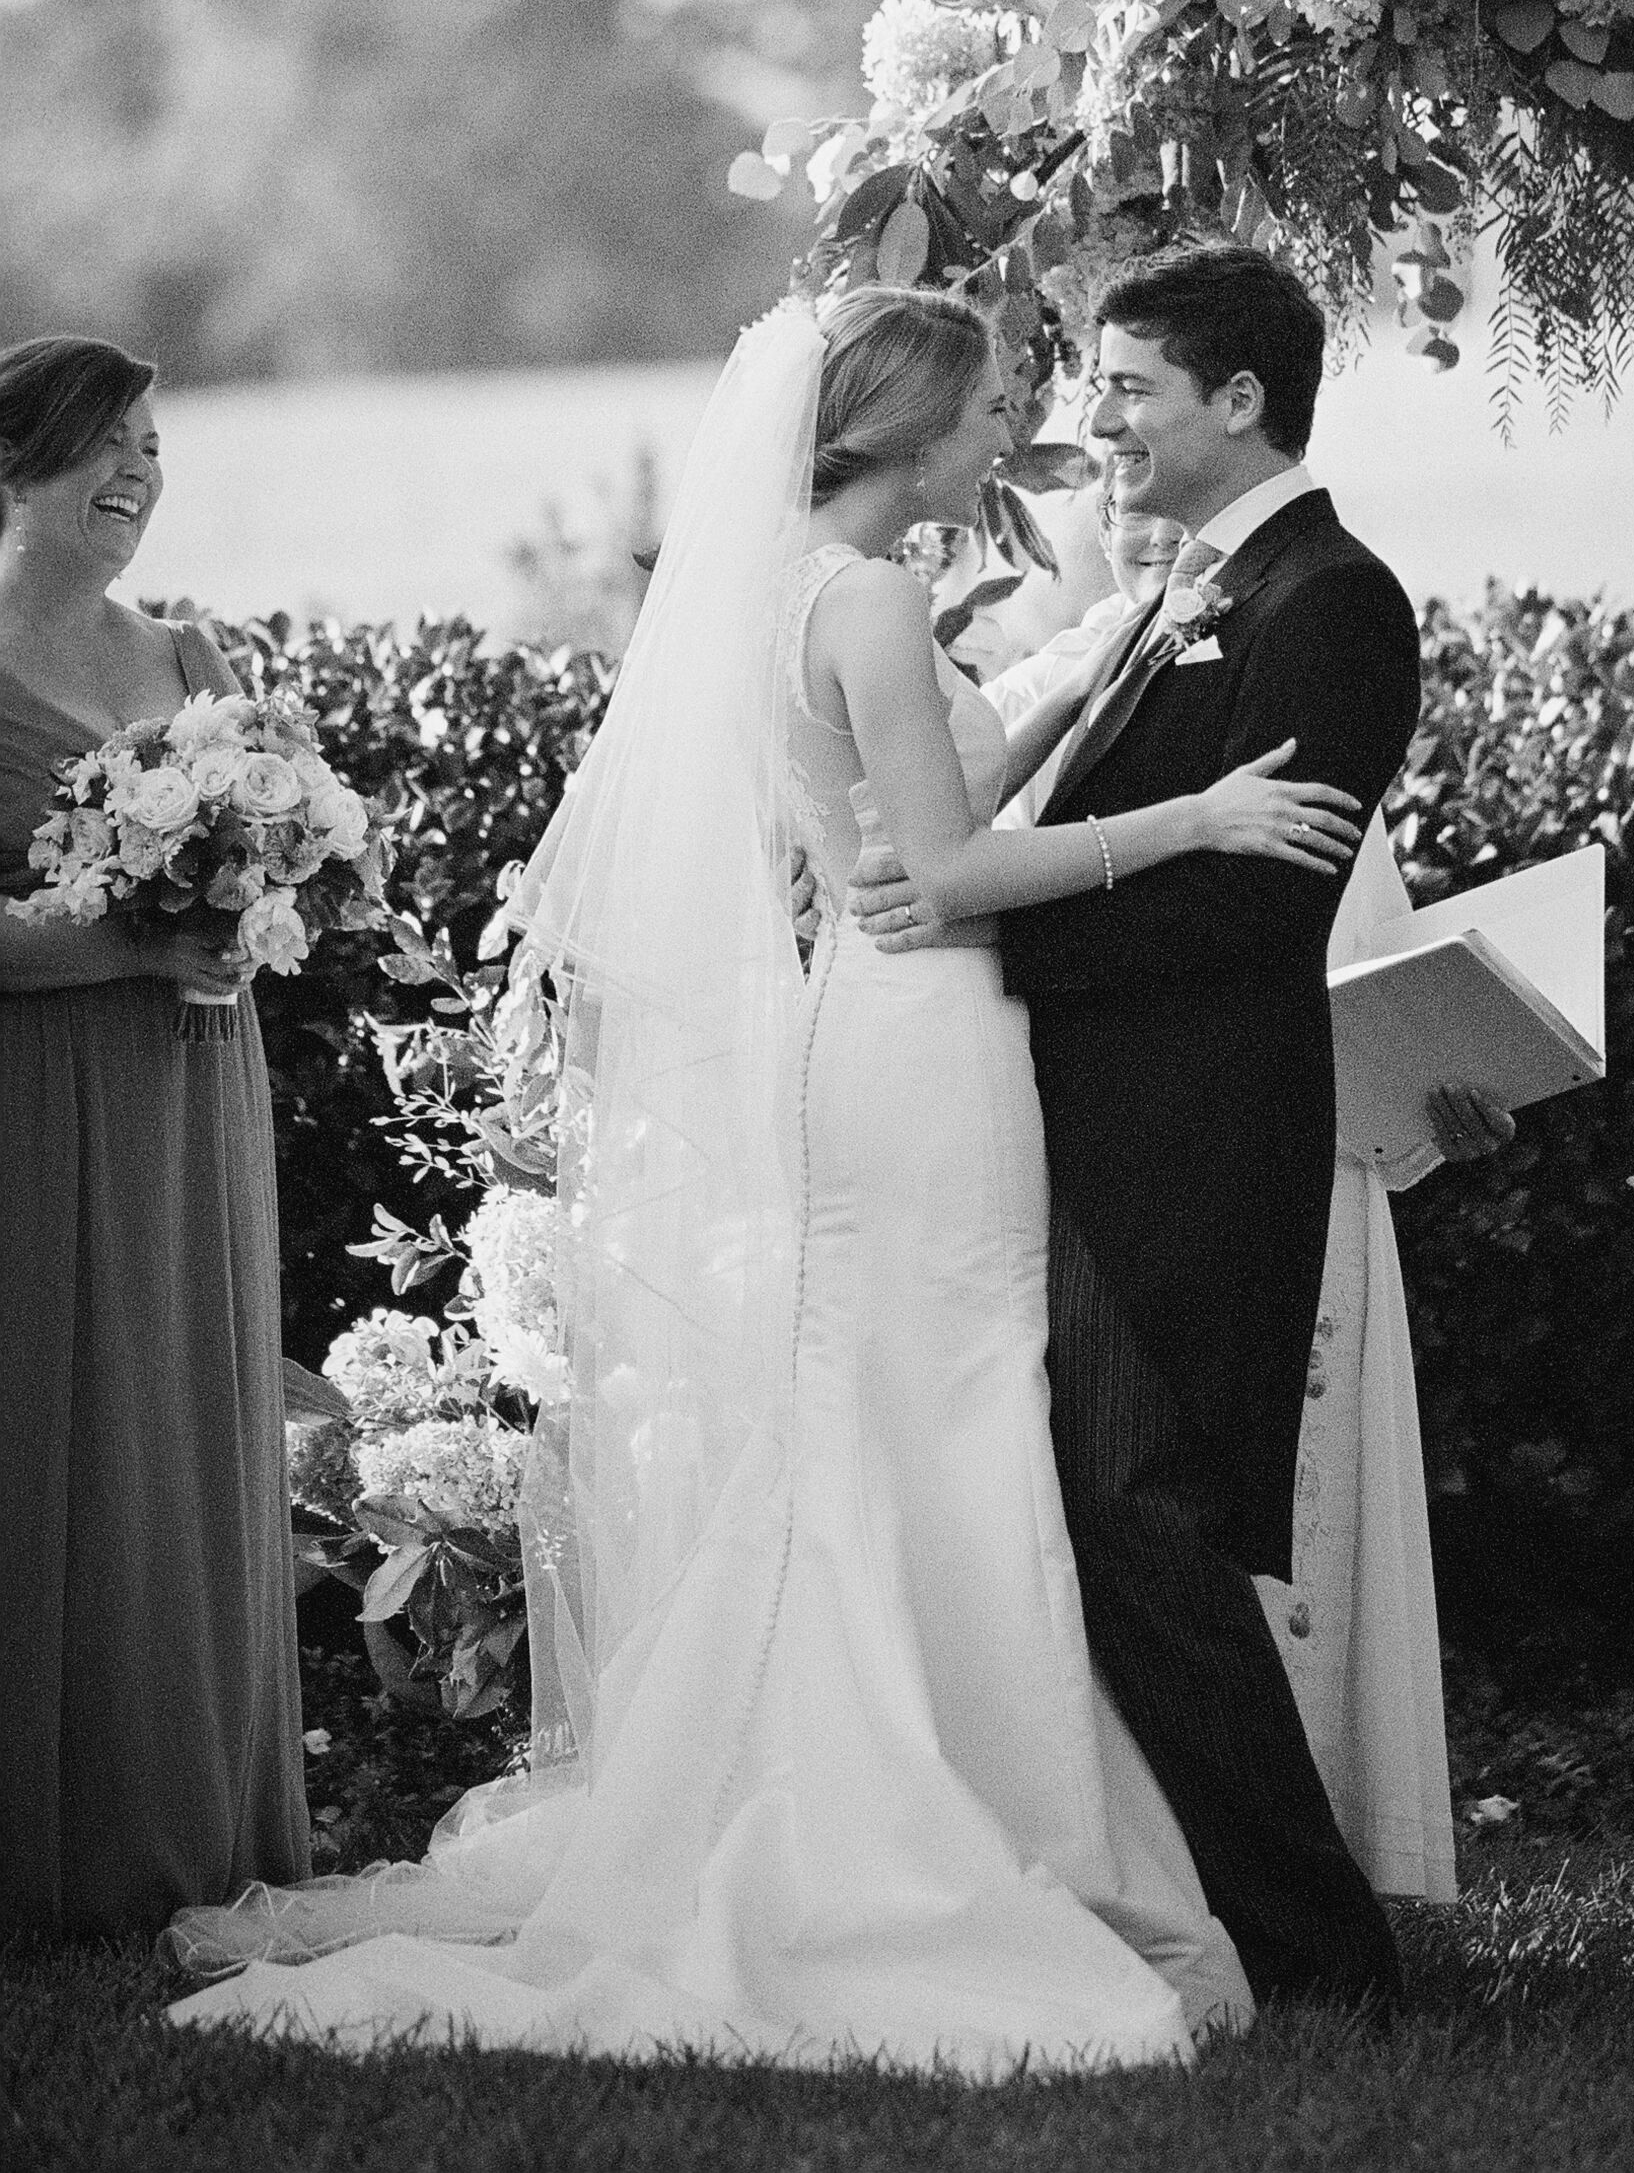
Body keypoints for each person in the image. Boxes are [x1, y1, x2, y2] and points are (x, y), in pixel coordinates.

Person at [166, 286, 1362, 2069]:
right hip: (918, 1041)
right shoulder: (871, 594)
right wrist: (1193, 819)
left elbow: (919, 799)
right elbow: (945, 866)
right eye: (979, 418)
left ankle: (893, 1768)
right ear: (899, 425)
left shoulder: (792, 582)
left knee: (891, 1405)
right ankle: (923, 1808)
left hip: (872, 1025)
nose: (1003, 444)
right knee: (935, 1396)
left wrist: (1100, 664)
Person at [853, 245, 1422, 2009]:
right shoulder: (1192, 587)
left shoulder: (1332, 600)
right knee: (1134, 1522)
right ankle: (1255, 1919)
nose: (1086, 417)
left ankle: (1325, 1955)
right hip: (1084, 1125)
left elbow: (1253, 912)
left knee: (1151, 1522)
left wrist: (979, 925)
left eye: (1123, 386)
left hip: (1193, 1133)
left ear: (1238, 401)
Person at [0, 336, 310, 1939]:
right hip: (38, 1105)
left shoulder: (197, 657)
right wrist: (125, 937)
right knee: (50, 1433)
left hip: (193, 1093)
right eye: (100, 444)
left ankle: (191, 1819)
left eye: (151, 442)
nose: (137, 471)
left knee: (180, 1428)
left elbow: (266, 873)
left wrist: (251, 910)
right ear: (13, 466)